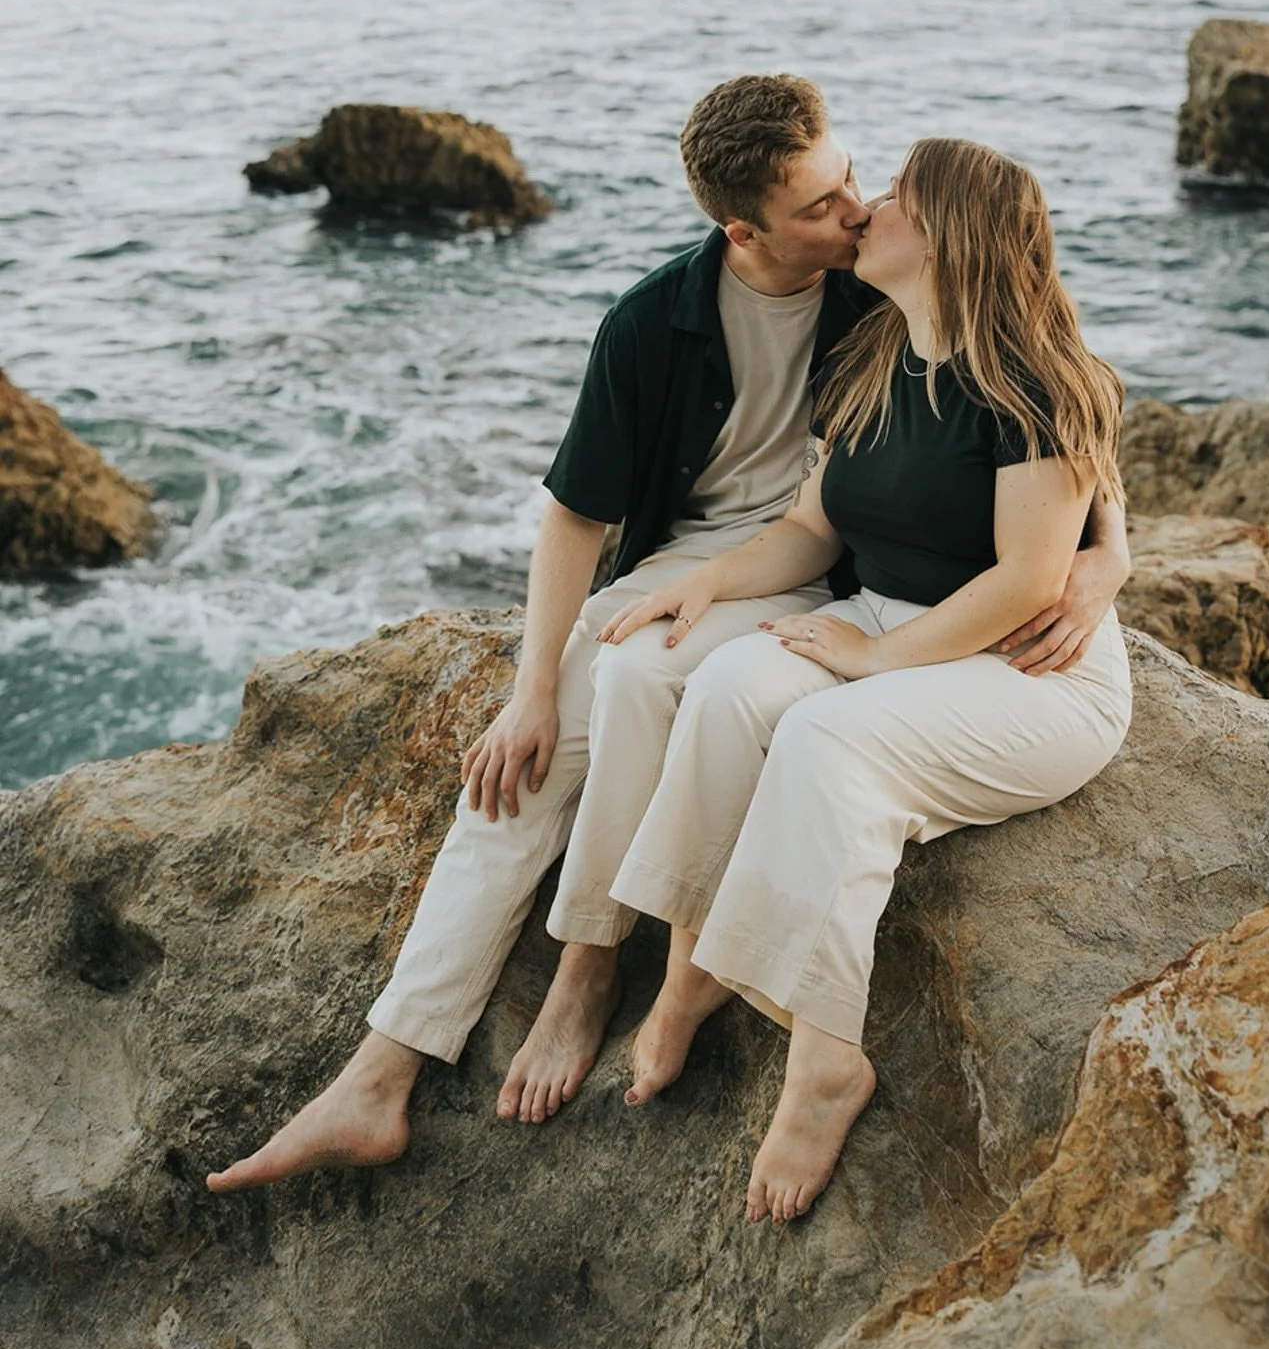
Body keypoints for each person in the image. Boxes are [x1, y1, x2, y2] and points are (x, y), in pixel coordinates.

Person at [206, 90, 1129, 1193]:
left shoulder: (885, 302)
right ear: (748, 231)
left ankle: (626, 971)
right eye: (827, 201)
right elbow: (586, 517)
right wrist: (533, 682)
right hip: (734, 564)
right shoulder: (679, 323)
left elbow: (1061, 438)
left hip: (883, 607)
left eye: (861, 184)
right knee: (556, 742)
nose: (854, 209)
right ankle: (396, 1062)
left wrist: (1105, 561)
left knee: (707, 702)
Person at [596, 137, 1133, 1226]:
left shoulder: (1035, 377)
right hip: (888, 620)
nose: (866, 208)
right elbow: (809, 527)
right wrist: (703, 589)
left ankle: (825, 1060)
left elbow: (1032, 578)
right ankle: (690, 968)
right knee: (729, 690)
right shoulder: (881, 349)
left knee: (824, 740)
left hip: (1030, 671)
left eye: (893, 196)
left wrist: (875, 662)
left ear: (945, 237)